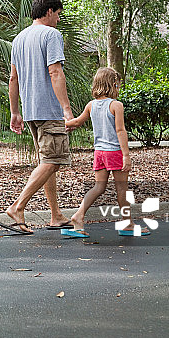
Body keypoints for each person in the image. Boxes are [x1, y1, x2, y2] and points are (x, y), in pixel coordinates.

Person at [2, 0, 74, 234]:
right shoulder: (51, 35)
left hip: (31, 111)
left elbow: (14, 78)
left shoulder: (19, 39)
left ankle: (55, 215)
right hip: (49, 109)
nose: (58, 20)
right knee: (54, 160)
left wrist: (15, 111)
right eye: (58, 14)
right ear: (49, 11)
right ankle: (18, 206)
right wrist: (66, 109)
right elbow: (55, 72)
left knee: (47, 160)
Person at [63, 67, 147, 237]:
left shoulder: (91, 105)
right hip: (114, 152)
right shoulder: (116, 105)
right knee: (122, 189)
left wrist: (63, 124)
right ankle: (128, 224)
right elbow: (120, 131)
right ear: (113, 85)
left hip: (99, 153)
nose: (119, 89)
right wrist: (126, 156)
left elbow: (77, 122)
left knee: (98, 187)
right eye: (118, 85)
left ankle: (78, 216)